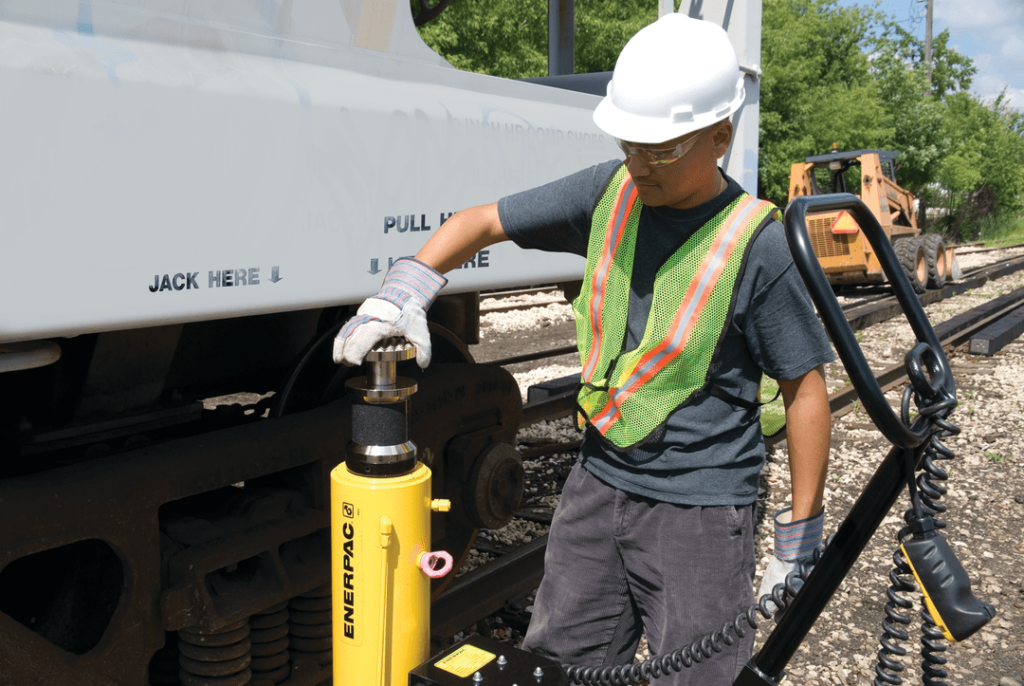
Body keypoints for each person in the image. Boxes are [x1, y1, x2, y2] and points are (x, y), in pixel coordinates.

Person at [334, 13, 834, 685]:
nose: (637, 161)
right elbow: (479, 221)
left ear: (720, 136)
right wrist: (403, 292)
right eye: (630, 142)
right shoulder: (610, 191)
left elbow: (806, 392)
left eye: (659, 149)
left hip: (702, 510)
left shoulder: (755, 244)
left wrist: (799, 533)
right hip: (597, 486)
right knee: (556, 667)